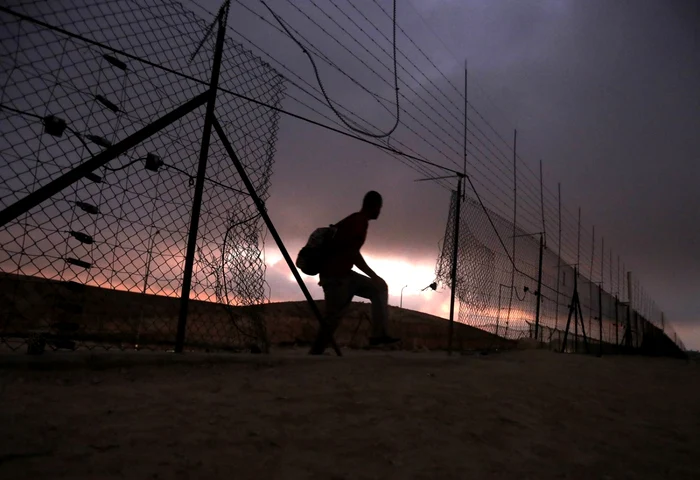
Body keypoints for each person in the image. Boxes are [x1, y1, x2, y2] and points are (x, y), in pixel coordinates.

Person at [309, 191, 400, 355]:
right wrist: (373, 275)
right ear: (373, 206)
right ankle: (315, 352)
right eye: (379, 207)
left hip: (343, 275)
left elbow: (350, 251)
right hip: (336, 277)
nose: (380, 212)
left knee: (378, 289)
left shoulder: (356, 221)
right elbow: (352, 252)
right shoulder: (358, 222)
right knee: (333, 317)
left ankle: (378, 335)